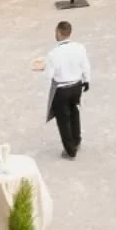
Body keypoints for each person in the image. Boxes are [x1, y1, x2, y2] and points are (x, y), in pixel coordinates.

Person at [41, 20, 91, 158]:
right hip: (76, 87)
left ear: (58, 32)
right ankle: (77, 140)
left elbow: (49, 75)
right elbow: (86, 65)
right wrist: (87, 80)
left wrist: (44, 68)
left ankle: (70, 150)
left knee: (63, 120)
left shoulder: (53, 54)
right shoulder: (80, 48)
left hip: (61, 90)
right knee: (74, 112)